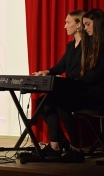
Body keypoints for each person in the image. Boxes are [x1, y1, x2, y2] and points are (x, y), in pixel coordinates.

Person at [55, 8, 104, 162]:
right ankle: (70, 146)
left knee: (63, 103)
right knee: (58, 100)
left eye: (88, 24)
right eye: (84, 25)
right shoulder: (92, 43)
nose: (85, 28)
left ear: (97, 23)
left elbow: (100, 73)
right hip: (91, 92)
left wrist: (76, 82)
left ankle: (76, 149)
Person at [32, 9, 85, 157]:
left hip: (82, 89)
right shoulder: (70, 45)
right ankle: (56, 143)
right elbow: (61, 66)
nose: (65, 26)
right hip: (69, 88)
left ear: (79, 24)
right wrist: (47, 72)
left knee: (61, 104)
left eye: (68, 22)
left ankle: (75, 146)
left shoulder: (88, 45)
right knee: (42, 103)